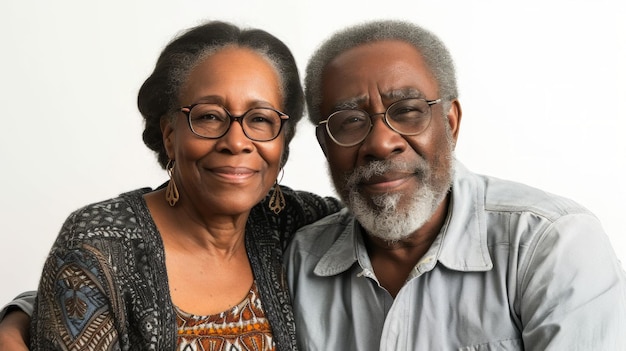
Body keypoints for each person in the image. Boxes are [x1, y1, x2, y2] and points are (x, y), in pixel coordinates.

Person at [284, 20, 626, 350]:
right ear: (325, 146)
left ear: (451, 123)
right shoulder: (300, 262)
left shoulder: (550, 245)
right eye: (351, 121)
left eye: (406, 111)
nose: (381, 143)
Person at [0, 20, 342, 351]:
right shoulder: (100, 246)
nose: (236, 142)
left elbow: (384, 220)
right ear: (168, 134)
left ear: (283, 142)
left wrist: (20, 315)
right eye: (209, 116)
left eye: (260, 119)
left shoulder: (296, 223)